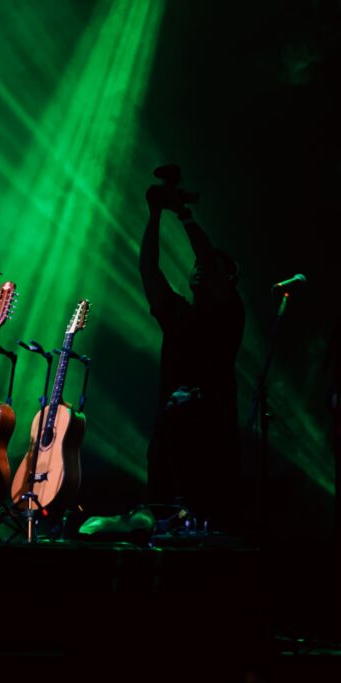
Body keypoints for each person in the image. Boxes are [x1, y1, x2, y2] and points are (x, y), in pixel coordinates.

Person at [139, 171, 245, 533]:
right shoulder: (178, 314)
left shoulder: (230, 312)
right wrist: (154, 216)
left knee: (207, 520)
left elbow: (209, 259)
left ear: (228, 281)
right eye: (198, 265)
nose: (200, 269)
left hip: (210, 431)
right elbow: (149, 270)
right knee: (162, 513)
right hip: (169, 430)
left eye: (211, 268)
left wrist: (183, 215)